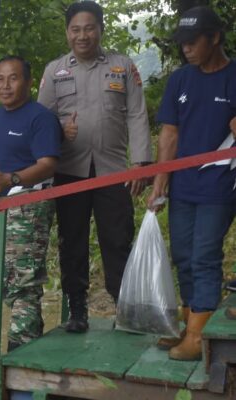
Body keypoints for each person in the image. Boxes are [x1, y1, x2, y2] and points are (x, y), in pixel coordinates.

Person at [37, 0, 152, 333]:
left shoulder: (122, 66)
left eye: (89, 28)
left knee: (117, 239)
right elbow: (41, 121)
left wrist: (141, 163)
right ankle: (77, 309)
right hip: (69, 171)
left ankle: (124, 308)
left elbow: (137, 114)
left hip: (114, 169)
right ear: (67, 32)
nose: (82, 35)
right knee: (71, 241)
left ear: (100, 29)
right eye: (76, 29)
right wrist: (60, 130)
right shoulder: (54, 70)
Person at [147, 6, 236, 361]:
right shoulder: (180, 79)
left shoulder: (233, 77)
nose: (186, 48)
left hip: (220, 185)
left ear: (214, 38)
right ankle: (189, 324)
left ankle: (200, 338)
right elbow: (169, 133)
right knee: (182, 255)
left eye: (192, 41)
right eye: (181, 42)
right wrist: (159, 180)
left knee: (203, 256)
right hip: (182, 186)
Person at [0, 56, 62, 350]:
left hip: (29, 205)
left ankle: (17, 359)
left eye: (13, 78)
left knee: (24, 282)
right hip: (1, 209)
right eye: (0, 78)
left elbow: (48, 164)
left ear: (29, 82)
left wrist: (12, 180)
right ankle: (21, 355)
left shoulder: (40, 117)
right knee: (9, 282)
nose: (6, 85)